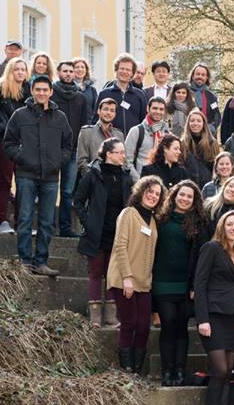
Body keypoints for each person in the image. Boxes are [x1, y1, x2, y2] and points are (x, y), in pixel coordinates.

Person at [3, 75, 72, 275]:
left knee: (47, 221)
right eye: (38, 89)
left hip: (51, 177)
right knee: (24, 218)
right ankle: (25, 261)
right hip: (26, 174)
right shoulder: (20, 115)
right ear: (32, 91)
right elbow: (8, 143)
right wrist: (22, 158)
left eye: (45, 90)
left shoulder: (60, 117)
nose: (41, 93)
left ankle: (41, 261)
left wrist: (58, 161)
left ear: (51, 92)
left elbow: (68, 145)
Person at [195, 210, 234, 405]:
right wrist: (202, 319)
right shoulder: (212, 248)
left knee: (227, 375)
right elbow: (200, 283)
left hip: (232, 318)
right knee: (220, 371)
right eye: (230, 224)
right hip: (213, 317)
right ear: (222, 227)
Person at [152, 179, 209, 386]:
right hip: (162, 282)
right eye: (181, 194)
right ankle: (167, 372)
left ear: (194, 201)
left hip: (185, 285)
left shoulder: (199, 224)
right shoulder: (160, 219)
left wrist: (194, 285)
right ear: (174, 195)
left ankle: (179, 371)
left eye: (189, 196)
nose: (185, 199)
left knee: (182, 327)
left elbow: (201, 257)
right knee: (168, 324)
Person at [74, 137, 134, 328]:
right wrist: (88, 222)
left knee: (112, 274)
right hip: (97, 233)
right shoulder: (93, 174)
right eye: (120, 152)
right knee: (95, 273)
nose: (123, 156)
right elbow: (78, 201)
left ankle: (110, 316)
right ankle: (95, 317)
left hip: (118, 233)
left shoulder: (126, 176)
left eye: (124, 152)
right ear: (109, 154)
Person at [108, 175, 165, 374]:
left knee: (143, 326)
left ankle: (137, 369)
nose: (153, 196)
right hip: (124, 278)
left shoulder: (154, 220)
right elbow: (120, 246)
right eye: (150, 191)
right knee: (129, 322)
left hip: (144, 282)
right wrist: (127, 277)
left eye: (157, 194)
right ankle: (127, 370)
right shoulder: (128, 213)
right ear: (141, 191)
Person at [0, 57, 29, 234]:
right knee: (5, 181)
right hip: (2, 140)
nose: (20, 72)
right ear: (10, 71)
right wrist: (2, 130)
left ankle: (21, 224)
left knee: (23, 182)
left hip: (23, 143)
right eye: (16, 69)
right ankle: (2, 221)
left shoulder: (28, 91)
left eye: (23, 69)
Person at [51, 60, 91, 237]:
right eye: (65, 71)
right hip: (53, 149)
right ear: (59, 72)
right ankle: (49, 225)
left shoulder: (80, 98)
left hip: (74, 150)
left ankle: (65, 227)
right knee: (51, 188)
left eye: (71, 71)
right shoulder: (51, 94)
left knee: (67, 191)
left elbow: (84, 125)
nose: (68, 74)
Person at [96, 53, 147, 134]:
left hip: (134, 140)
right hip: (109, 139)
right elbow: (96, 120)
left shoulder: (140, 95)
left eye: (128, 70)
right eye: (122, 68)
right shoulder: (104, 94)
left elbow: (144, 121)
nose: (124, 72)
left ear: (132, 73)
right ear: (116, 70)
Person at [125, 96, 170, 180]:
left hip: (162, 181)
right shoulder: (136, 131)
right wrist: (138, 180)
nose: (158, 112)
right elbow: (126, 160)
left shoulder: (167, 133)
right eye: (155, 108)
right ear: (148, 108)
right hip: (141, 179)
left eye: (161, 109)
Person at [77, 98, 124, 177]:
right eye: (105, 109)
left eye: (112, 110)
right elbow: (81, 162)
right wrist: (95, 178)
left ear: (115, 114)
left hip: (114, 179)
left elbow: (123, 160)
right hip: (93, 179)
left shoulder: (119, 135)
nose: (108, 113)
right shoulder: (86, 132)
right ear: (98, 111)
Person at [180, 107, 220, 186]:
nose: (195, 123)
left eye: (199, 121)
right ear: (188, 123)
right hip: (188, 184)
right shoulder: (182, 143)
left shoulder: (212, 142)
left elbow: (216, 166)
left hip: (207, 184)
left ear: (203, 124)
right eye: (192, 121)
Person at [188, 63, 221, 133]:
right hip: (188, 132)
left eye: (203, 75)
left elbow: (216, 115)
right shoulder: (185, 92)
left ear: (206, 78)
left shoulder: (212, 96)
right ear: (192, 76)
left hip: (207, 132)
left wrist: (211, 127)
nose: (200, 76)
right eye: (198, 74)